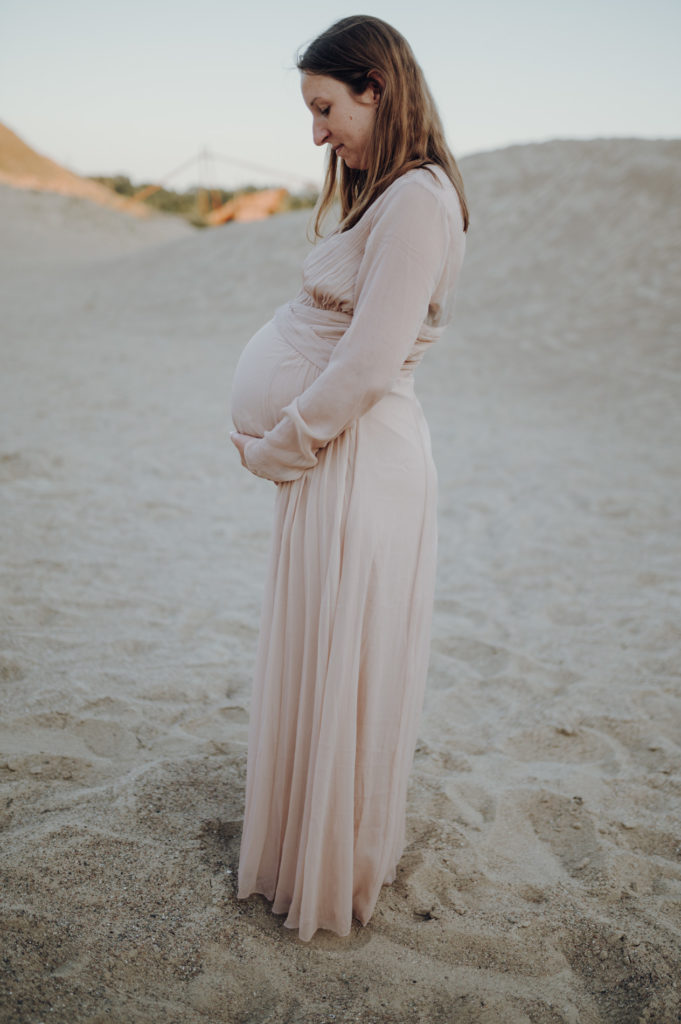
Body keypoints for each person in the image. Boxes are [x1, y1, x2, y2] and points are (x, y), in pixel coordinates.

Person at [229, 14, 469, 942]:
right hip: (337, 458)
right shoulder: (391, 197)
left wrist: (280, 445)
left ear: (375, 87)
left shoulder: (417, 201)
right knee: (322, 661)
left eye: (326, 107)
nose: (317, 132)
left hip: (357, 460)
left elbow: (367, 363)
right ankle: (303, 846)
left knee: (345, 669)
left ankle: (329, 866)